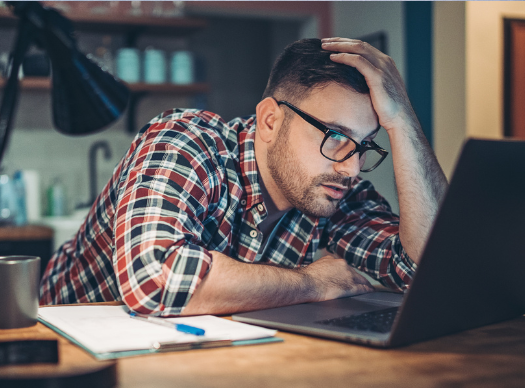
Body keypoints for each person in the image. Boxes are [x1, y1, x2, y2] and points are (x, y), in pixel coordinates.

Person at [40, 38, 448, 316]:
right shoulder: (189, 141)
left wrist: (404, 122)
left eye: (365, 146)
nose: (351, 167)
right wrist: (310, 283)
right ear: (270, 120)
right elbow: (156, 278)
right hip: (60, 349)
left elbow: (428, 270)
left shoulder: (338, 191)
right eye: (336, 136)